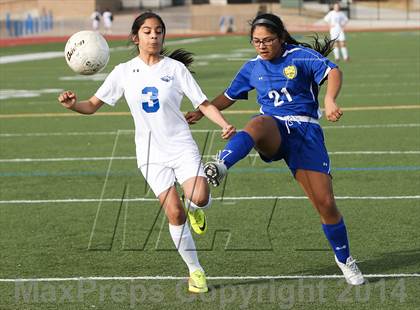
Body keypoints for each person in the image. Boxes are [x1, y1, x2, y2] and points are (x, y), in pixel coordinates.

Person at [58, 12, 235, 293]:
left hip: (180, 145)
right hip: (150, 155)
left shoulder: (175, 69)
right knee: (174, 214)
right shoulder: (123, 72)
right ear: (135, 37)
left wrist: (224, 123)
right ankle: (196, 271)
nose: (154, 36)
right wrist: (73, 105)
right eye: (147, 31)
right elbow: (92, 105)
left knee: (199, 197)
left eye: (158, 31)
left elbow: (202, 103)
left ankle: (196, 209)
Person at [186, 13, 364, 285]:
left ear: (281, 37)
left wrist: (329, 99)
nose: (262, 46)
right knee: (258, 122)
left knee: (326, 205)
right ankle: (221, 165)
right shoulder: (251, 68)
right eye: (256, 41)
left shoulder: (300, 56)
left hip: (306, 133)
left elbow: (333, 71)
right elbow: (229, 96)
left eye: (268, 40)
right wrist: (203, 109)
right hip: (275, 130)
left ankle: (344, 259)